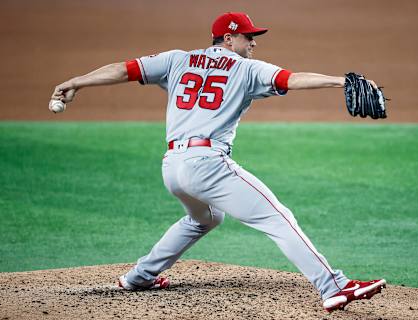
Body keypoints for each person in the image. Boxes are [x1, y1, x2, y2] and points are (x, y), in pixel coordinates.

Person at [51, 12, 386, 312]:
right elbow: (292, 79)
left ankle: (140, 277)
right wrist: (341, 80)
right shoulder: (247, 68)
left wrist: (75, 81)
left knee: (205, 218)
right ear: (228, 38)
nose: (253, 42)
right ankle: (334, 286)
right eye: (248, 36)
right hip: (207, 164)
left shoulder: (176, 60)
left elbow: (122, 70)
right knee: (278, 217)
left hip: (173, 166)